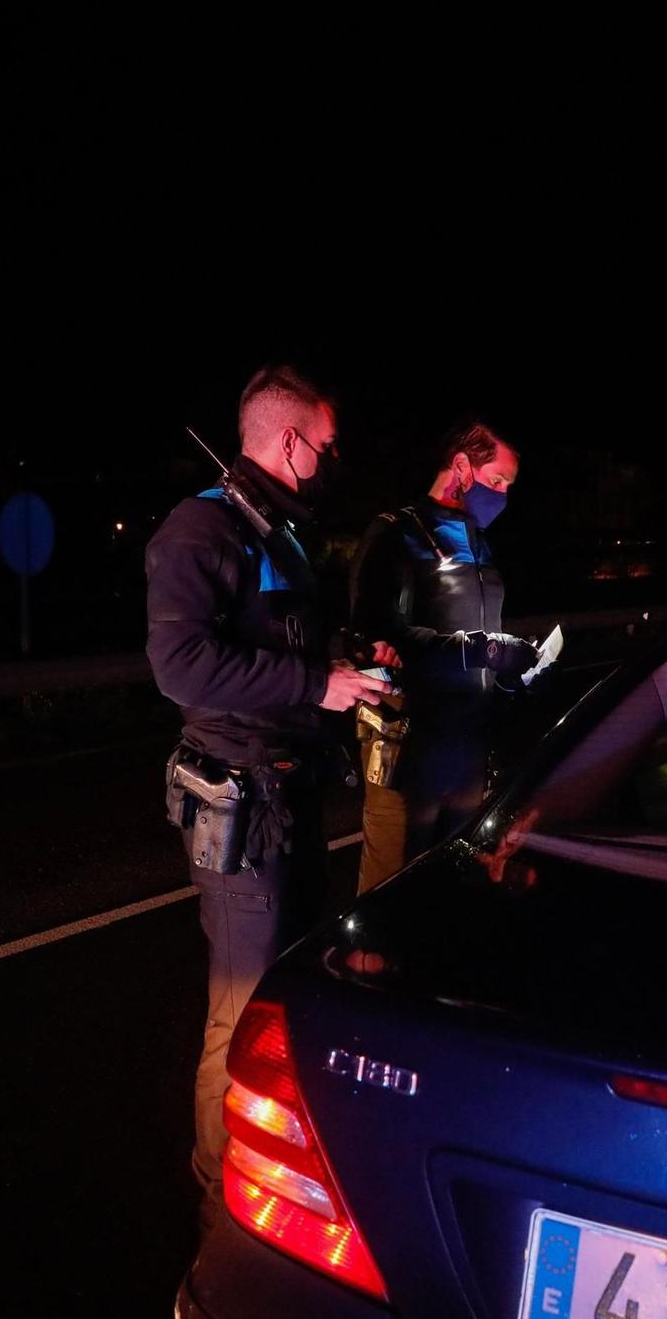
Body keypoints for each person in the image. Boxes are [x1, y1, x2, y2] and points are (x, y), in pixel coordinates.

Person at [145, 363, 396, 1232]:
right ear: (289, 440)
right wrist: (311, 684)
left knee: (287, 995)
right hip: (240, 803)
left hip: (291, 795)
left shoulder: (278, 533)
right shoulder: (200, 530)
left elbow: (291, 644)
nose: (333, 459)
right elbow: (179, 666)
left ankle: (279, 1162)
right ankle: (218, 1192)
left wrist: (349, 664)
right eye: (325, 445)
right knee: (240, 1003)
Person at [349, 417, 533, 894]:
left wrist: (514, 671)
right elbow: (376, 634)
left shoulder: (480, 544)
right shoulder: (396, 532)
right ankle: (364, 966)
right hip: (411, 745)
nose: (502, 495)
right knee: (390, 890)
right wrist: (483, 650)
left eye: (509, 486)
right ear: (461, 466)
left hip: (470, 745)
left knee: (452, 883)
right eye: (497, 480)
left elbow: (487, 633)